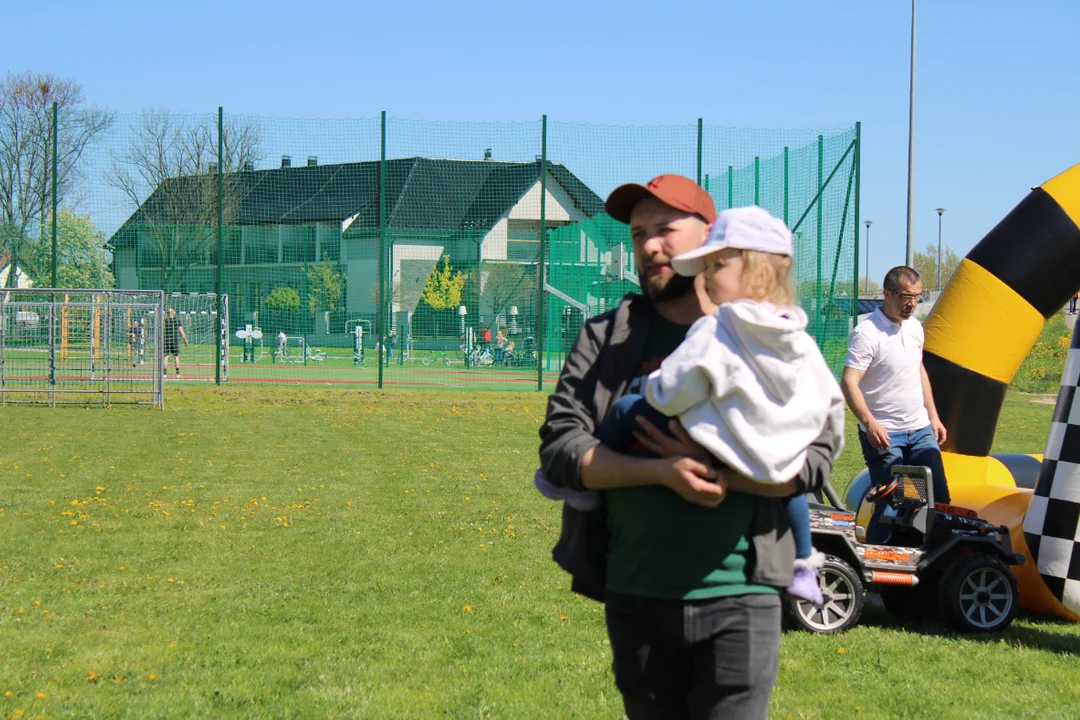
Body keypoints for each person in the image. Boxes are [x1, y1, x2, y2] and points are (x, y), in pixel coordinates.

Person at [538, 175, 838, 718]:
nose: (650, 246)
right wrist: (660, 471)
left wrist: (727, 475)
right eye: (637, 233)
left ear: (710, 239)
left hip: (744, 598)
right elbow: (560, 451)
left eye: (666, 229)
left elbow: (818, 454)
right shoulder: (607, 338)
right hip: (638, 595)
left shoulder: (769, 335)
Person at [841, 266, 950, 544]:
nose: (912, 303)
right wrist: (870, 423)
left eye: (917, 296)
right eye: (905, 296)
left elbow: (919, 371)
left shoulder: (915, 327)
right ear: (887, 294)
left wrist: (933, 417)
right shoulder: (867, 333)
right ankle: (875, 572)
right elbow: (849, 383)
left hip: (921, 430)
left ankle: (927, 568)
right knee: (899, 505)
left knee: (940, 499)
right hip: (887, 435)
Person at [163, 308, 189, 378]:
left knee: (166, 356)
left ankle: (164, 374)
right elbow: (181, 330)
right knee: (176, 356)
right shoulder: (177, 321)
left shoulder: (165, 320)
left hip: (166, 340)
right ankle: (177, 374)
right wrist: (185, 339)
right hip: (174, 340)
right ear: (173, 313)